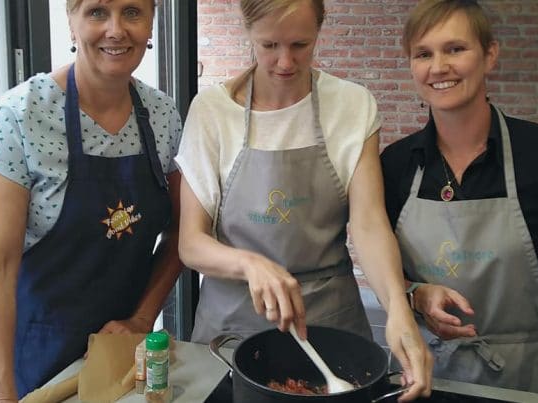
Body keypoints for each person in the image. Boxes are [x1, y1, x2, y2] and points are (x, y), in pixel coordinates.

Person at [176, 0, 432, 400]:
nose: (285, 62)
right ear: (247, 31)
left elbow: (368, 224)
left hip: (329, 325)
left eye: (300, 45)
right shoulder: (212, 111)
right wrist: (251, 264)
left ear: (318, 31)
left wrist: (398, 310)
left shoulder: (352, 105)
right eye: (269, 45)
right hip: (231, 330)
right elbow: (191, 243)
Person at [380, 0, 538, 398]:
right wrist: (415, 295)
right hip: (426, 376)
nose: (438, 67)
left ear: (490, 55)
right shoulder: (395, 164)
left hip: (531, 380)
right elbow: (384, 271)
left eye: (455, 49)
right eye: (423, 54)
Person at [0, 0, 183, 400]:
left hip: (123, 355)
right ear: (71, 22)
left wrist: (142, 319)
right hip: (35, 356)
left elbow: (183, 232)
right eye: (97, 12)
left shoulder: (162, 115)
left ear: (151, 24)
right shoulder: (21, 115)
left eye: (133, 12)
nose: (116, 29)